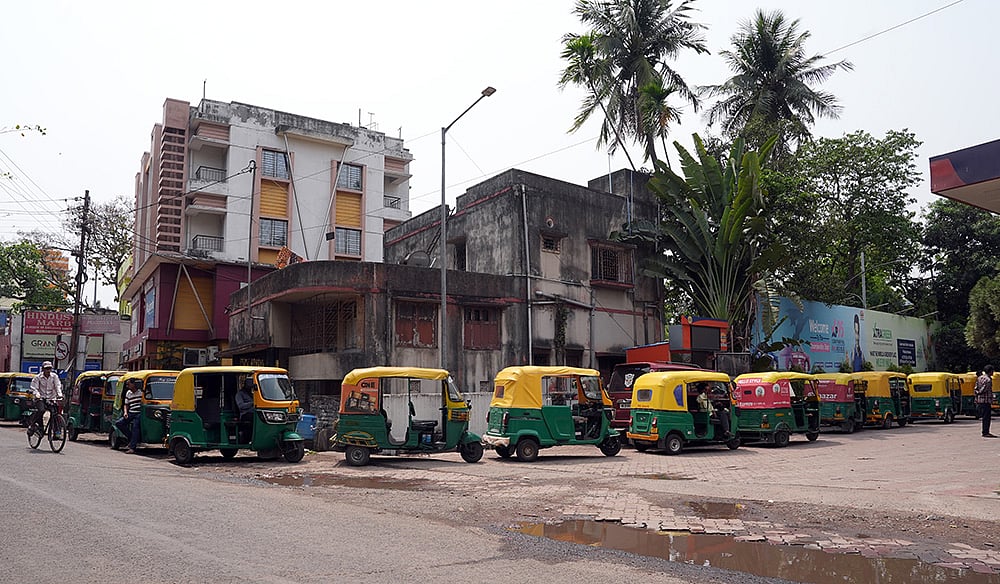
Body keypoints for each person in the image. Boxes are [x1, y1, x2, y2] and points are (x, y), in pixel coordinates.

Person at [27, 361, 63, 438]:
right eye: (46, 369)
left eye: (49, 368)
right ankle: (34, 425)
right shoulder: (37, 378)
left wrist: (59, 395)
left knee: (55, 413)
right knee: (41, 410)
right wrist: (37, 394)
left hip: (51, 398)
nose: (48, 370)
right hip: (41, 398)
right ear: (43, 369)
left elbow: (58, 386)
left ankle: (57, 431)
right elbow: (34, 388)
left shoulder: (54, 377)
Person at [115, 379, 143, 453]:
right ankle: (132, 439)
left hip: (139, 413)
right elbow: (126, 405)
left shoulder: (141, 393)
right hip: (131, 412)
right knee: (119, 423)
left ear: (134, 384)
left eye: (129, 384)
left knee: (135, 427)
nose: (127, 386)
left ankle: (132, 447)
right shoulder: (128, 393)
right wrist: (125, 413)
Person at [975, 365, 995, 438]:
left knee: (984, 416)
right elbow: (984, 389)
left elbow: (976, 388)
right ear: (990, 371)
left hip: (980, 400)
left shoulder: (979, 378)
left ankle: (985, 431)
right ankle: (986, 432)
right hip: (986, 400)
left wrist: (977, 394)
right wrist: (980, 392)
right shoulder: (988, 380)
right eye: (992, 371)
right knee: (987, 417)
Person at [235, 378, 255, 442]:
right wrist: (252, 403)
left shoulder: (252, 394)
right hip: (245, 414)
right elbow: (241, 406)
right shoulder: (239, 394)